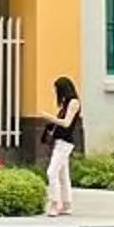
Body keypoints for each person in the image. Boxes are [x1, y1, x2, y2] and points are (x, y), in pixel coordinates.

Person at [41, 74, 84, 217]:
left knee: (51, 172)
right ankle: (67, 205)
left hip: (65, 143)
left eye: (57, 89)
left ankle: (55, 204)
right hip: (60, 141)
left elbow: (66, 123)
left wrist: (49, 117)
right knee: (63, 175)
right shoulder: (66, 103)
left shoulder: (74, 102)